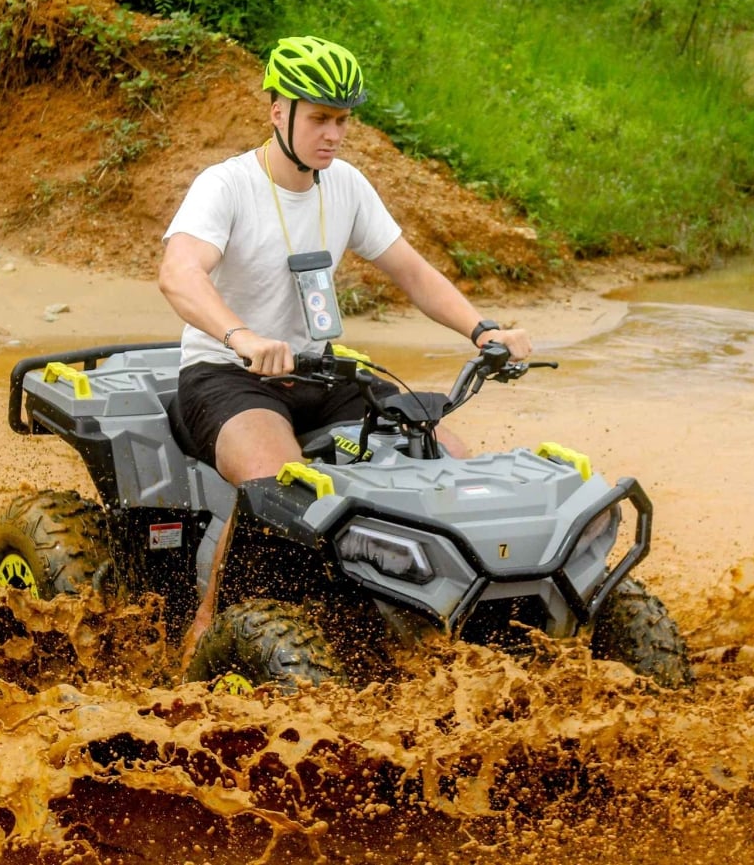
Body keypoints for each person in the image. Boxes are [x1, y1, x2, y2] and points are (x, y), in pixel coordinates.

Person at [157, 35, 533, 659]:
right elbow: (178, 273)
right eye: (319, 119)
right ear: (278, 111)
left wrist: (483, 330)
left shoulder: (347, 186)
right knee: (275, 479)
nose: (333, 134)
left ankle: (446, 618)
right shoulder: (226, 186)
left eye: (342, 120)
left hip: (320, 374)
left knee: (445, 452)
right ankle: (207, 630)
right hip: (226, 374)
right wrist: (241, 337)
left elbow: (413, 272)